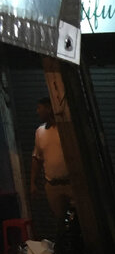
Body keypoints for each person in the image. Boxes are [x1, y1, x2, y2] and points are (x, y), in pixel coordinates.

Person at [31, 97, 72, 230]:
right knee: (61, 222)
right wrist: (32, 182)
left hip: (72, 184)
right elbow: (37, 158)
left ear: (49, 108)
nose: (37, 112)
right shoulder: (40, 132)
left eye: (39, 108)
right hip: (53, 186)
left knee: (80, 219)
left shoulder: (65, 129)